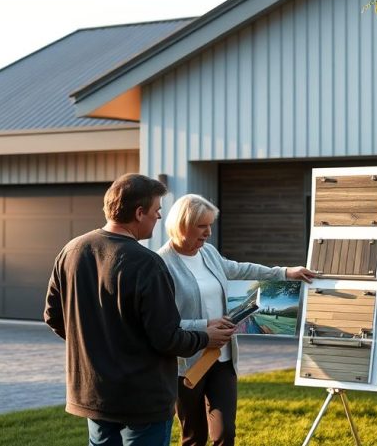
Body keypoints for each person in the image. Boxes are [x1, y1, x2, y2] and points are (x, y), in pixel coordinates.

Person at [44, 174, 235, 446]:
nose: (159, 218)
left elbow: (53, 317)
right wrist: (206, 337)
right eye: (157, 211)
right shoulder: (148, 263)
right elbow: (167, 338)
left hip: (93, 392)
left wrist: (96, 347)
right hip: (143, 397)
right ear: (139, 213)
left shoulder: (71, 251)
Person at [157, 194, 316, 446]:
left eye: (210, 225)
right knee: (193, 437)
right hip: (187, 365)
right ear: (182, 224)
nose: (208, 232)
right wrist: (204, 325)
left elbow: (242, 269)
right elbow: (163, 323)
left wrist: (285, 272)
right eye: (201, 226)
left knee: (225, 434)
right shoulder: (160, 264)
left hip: (223, 359)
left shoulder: (208, 253)